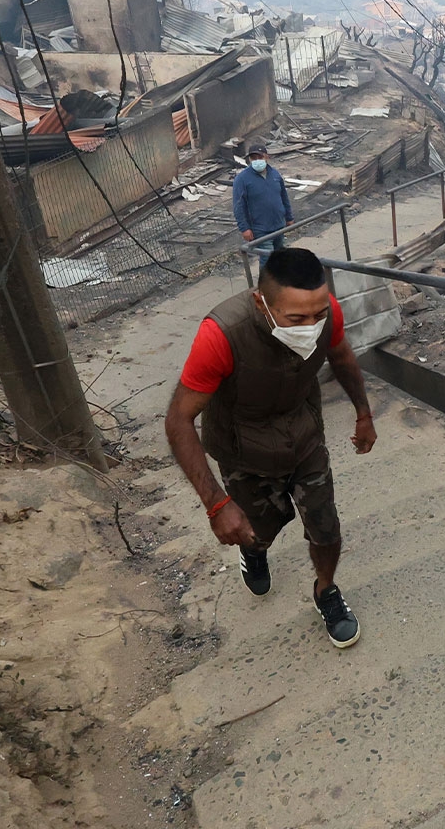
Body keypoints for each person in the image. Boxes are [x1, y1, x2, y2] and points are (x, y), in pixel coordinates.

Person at [163, 247, 377, 648]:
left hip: (305, 436)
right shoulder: (222, 334)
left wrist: (363, 413)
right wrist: (215, 504)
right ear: (261, 302)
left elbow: (342, 354)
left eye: (317, 314)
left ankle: (326, 591)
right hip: (244, 450)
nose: (310, 326)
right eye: (296, 319)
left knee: (326, 528)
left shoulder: (326, 312)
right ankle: (255, 552)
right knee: (259, 530)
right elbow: (178, 419)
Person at [232, 141, 292, 263]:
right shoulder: (242, 179)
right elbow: (238, 206)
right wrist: (244, 228)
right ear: (249, 160)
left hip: (279, 224)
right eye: (253, 158)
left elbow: (283, 196)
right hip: (260, 229)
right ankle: (266, 282)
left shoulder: (275, 174)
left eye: (260, 157)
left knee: (280, 256)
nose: (257, 160)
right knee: (268, 259)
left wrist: (289, 217)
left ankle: (280, 280)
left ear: (267, 157)